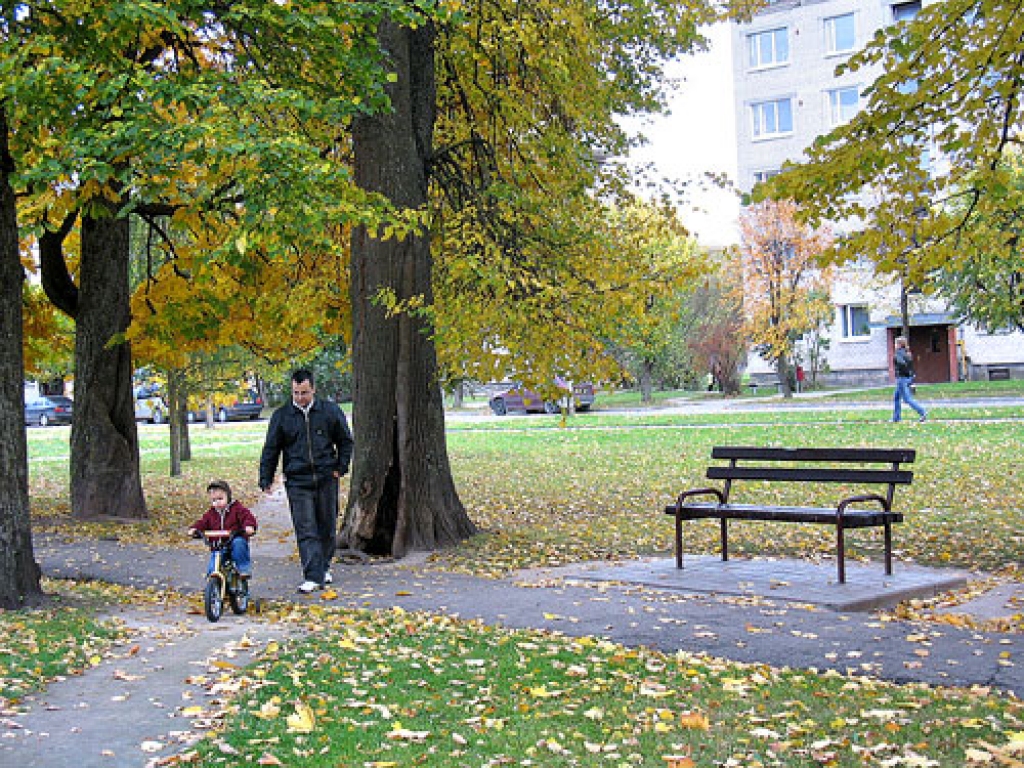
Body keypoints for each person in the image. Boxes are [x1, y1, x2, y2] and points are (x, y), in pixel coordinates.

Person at [259, 369, 354, 593]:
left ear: (313, 389)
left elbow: (345, 441)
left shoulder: (329, 412)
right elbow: (271, 448)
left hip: (326, 477)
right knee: (306, 528)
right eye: (296, 393)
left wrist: (340, 467)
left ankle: (324, 566)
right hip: (297, 480)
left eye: (304, 392)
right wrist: (266, 477)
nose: (300, 397)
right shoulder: (282, 416)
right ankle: (312, 575)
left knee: (327, 526)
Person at [188, 480, 258, 578]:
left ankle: (243, 569)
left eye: (220, 498)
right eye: (213, 500)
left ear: (228, 497)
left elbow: (247, 517)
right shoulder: (211, 514)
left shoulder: (237, 509)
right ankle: (212, 587)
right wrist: (194, 529)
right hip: (218, 545)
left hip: (233, 541)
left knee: (239, 543)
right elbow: (202, 522)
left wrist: (249, 527)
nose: (217, 502)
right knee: (213, 566)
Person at [892, 336, 927, 423]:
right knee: (896, 397)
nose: (895, 345)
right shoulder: (907, 353)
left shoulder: (898, 353)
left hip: (902, 378)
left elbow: (902, 364)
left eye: (896, 343)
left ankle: (922, 412)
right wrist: (910, 376)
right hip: (907, 377)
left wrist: (903, 373)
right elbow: (910, 366)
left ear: (899, 345)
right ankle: (896, 418)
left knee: (907, 399)